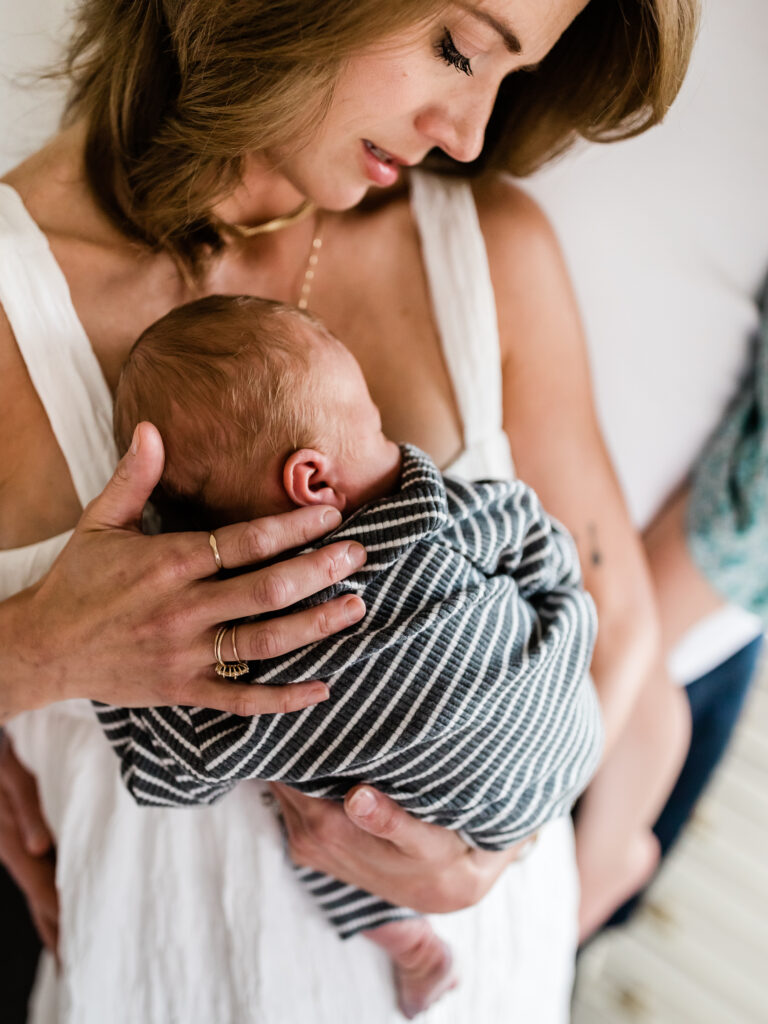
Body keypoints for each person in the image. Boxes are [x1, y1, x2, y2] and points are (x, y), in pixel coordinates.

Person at [0, 1, 697, 1021]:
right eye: (456, 48)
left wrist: (496, 851)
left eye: (508, 78)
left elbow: (614, 623)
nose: (466, 133)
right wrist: (35, 654)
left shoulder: (489, 251)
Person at [104, 292, 602, 1016]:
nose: (392, 441)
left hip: (470, 823)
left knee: (311, 809)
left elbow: (162, 770)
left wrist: (108, 671)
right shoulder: (431, 519)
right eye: (373, 424)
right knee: (340, 804)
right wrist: (557, 607)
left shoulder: (252, 670)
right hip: (570, 729)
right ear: (312, 481)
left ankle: (402, 940)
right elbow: (532, 532)